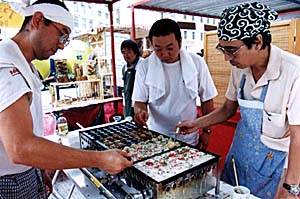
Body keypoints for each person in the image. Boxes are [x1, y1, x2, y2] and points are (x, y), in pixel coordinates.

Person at [0, 0, 132, 198]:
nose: (62, 45)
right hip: (9, 182)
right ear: (37, 21)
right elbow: (21, 148)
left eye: (66, 39)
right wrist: (98, 159)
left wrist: (39, 168)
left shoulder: (27, 65)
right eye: (61, 34)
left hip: (26, 173)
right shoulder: (7, 65)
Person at [177, 2, 300, 199]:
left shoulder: (294, 73)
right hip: (240, 156)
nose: (226, 58)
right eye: (222, 49)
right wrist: (196, 124)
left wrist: (291, 187)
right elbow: (228, 108)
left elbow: (298, 135)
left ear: (258, 41)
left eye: (232, 50)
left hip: (272, 166)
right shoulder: (240, 68)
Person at [132, 18, 217, 146]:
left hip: (188, 135)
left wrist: (207, 131)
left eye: (170, 48)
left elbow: (207, 99)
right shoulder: (145, 66)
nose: (165, 54)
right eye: (158, 49)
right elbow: (139, 101)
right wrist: (140, 113)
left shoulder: (196, 63)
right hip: (156, 135)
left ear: (180, 42)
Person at [121, 39, 143, 118]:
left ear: (136, 52)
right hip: (127, 104)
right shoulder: (124, 68)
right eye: (123, 52)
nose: (126, 55)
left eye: (129, 52)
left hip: (140, 105)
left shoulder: (142, 65)